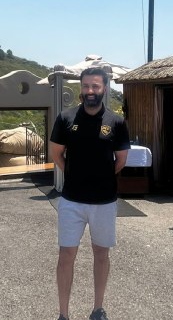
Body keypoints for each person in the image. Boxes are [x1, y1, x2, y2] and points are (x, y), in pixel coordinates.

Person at [49, 67, 130, 320]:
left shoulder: (116, 122)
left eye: (95, 86)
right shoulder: (65, 118)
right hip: (72, 201)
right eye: (86, 86)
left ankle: (98, 309)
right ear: (80, 89)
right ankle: (63, 314)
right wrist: (74, 175)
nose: (90, 91)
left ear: (105, 88)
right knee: (66, 255)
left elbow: (121, 161)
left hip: (104, 202)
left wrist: (101, 179)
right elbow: (56, 155)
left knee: (101, 254)